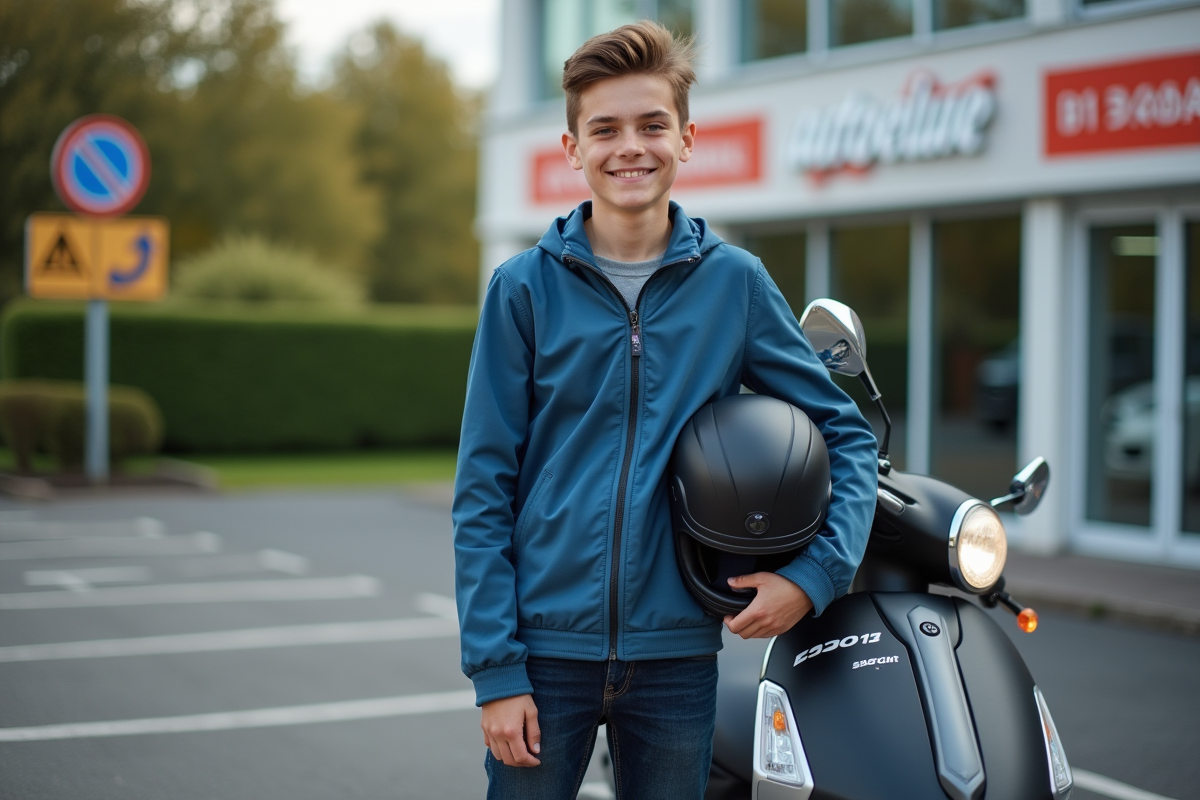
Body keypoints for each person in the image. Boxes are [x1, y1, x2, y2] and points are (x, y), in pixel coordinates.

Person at [452, 20, 879, 799]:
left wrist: (816, 574)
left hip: (679, 656)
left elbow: (844, 433)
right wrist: (496, 668)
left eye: (652, 125)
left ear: (686, 138)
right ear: (572, 148)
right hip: (543, 658)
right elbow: (482, 488)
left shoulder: (735, 283)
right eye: (604, 129)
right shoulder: (523, 289)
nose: (630, 147)